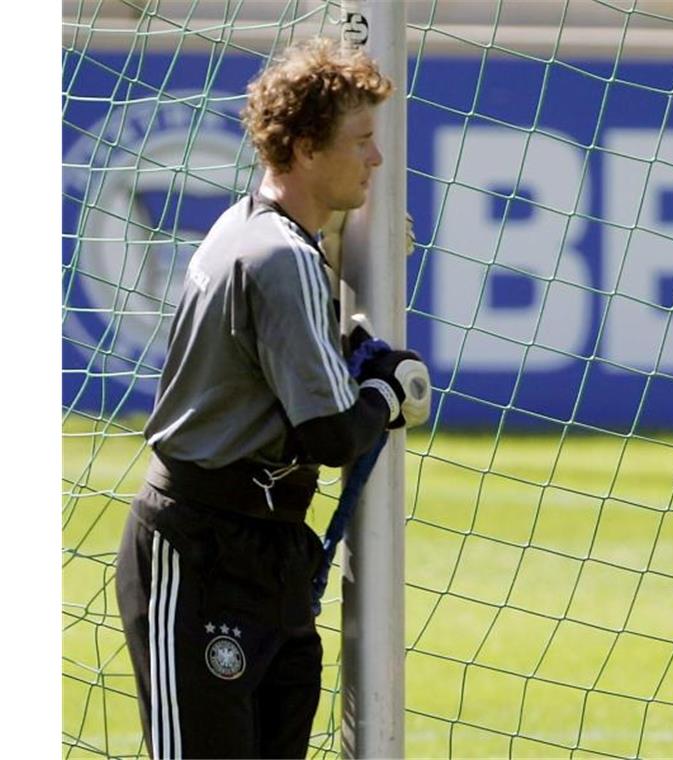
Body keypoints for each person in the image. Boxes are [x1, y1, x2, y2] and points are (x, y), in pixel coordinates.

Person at [115, 37, 420, 759]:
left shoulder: (268, 234)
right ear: (309, 148)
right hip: (200, 553)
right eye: (363, 142)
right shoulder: (277, 256)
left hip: (264, 550)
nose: (376, 160)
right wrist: (388, 391)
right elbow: (333, 436)